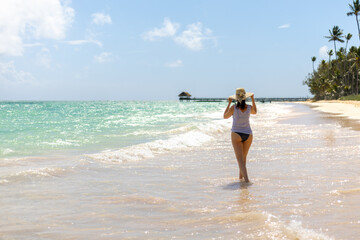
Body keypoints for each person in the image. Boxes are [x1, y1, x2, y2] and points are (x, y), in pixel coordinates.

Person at [223, 88, 257, 183]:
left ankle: (246, 181)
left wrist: (229, 103)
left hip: (236, 134)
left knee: (240, 160)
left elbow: (225, 116)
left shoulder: (234, 107)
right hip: (248, 135)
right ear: (246, 98)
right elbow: (255, 111)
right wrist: (253, 99)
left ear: (236, 98)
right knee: (243, 159)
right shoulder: (249, 107)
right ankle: (241, 179)